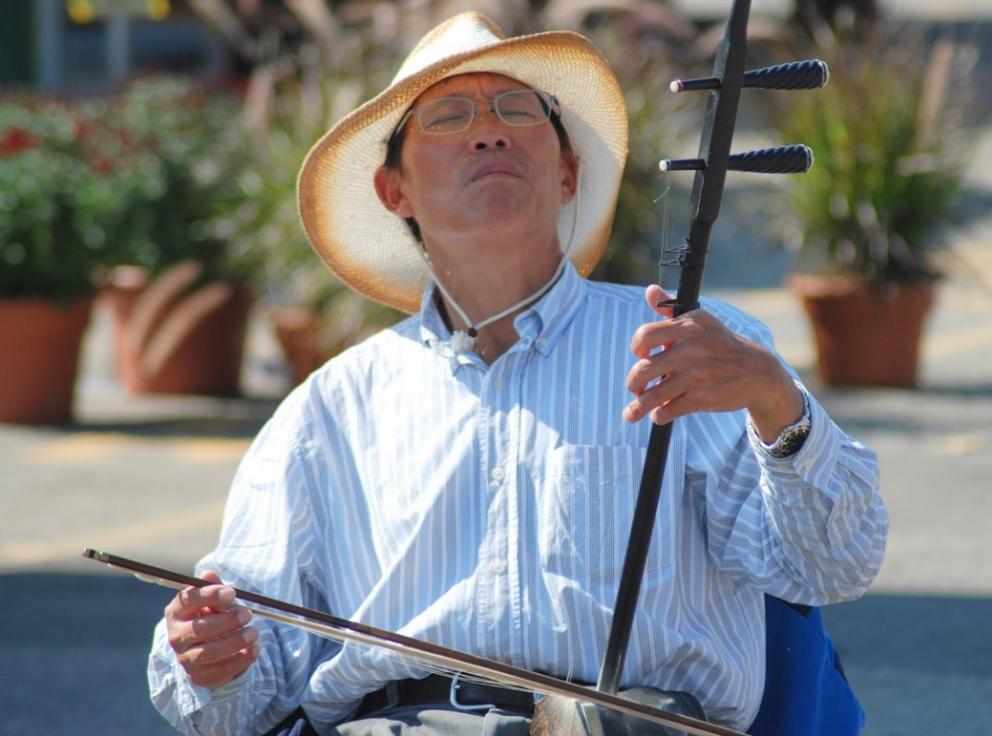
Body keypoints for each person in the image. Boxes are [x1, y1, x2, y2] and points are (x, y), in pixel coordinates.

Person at [149, 12, 887, 736]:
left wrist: (777, 405)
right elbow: (236, 702)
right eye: (447, 118)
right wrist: (213, 660)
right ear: (393, 192)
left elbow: (832, 567)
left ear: (567, 173)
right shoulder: (330, 407)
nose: (489, 129)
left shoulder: (693, 347)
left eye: (517, 110)